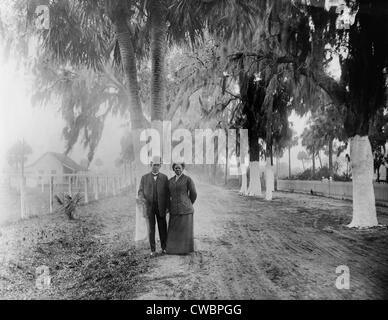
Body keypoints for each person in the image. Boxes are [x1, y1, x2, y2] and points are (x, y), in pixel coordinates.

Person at [138, 156, 169, 256]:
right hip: (149, 207)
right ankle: (153, 250)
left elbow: (168, 193)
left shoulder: (164, 178)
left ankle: (164, 248)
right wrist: (142, 198)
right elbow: (140, 191)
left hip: (161, 207)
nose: (155, 167)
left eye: (157, 165)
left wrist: (168, 206)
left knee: (162, 228)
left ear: (160, 166)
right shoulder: (144, 177)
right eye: (154, 165)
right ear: (151, 165)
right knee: (151, 229)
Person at [166, 162, 197, 255]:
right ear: (173, 169)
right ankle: (174, 249)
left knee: (184, 230)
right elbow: (168, 194)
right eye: (176, 168)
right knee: (174, 229)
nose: (177, 170)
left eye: (179, 168)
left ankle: (184, 250)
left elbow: (194, 193)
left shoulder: (187, 179)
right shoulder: (170, 181)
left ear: (182, 169)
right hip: (174, 209)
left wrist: (188, 203)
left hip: (186, 210)